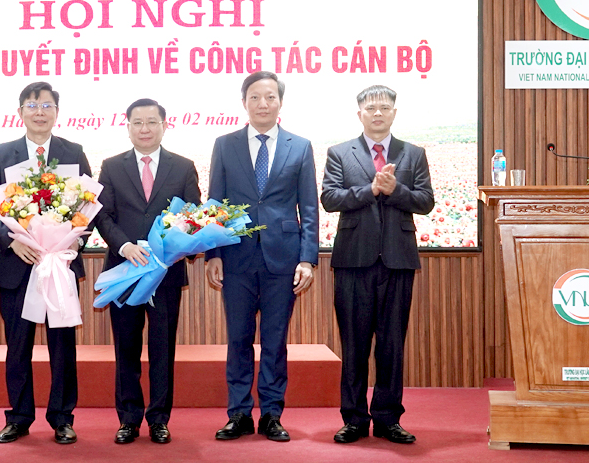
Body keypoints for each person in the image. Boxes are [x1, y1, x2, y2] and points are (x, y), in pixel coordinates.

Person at [205, 71, 318, 442]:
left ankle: (271, 414)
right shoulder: (225, 144)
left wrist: (307, 259)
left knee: (274, 340)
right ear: (244, 103)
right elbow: (215, 202)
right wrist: (212, 254)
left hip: (282, 259)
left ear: (280, 102)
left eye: (270, 97)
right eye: (255, 97)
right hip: (235, 257)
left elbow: (308, 208)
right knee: (238, 338)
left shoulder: (300, 146)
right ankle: (238, 413)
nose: (263, 104)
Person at [320, 84, 434, 445]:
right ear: (360, 114)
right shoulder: (340, 153)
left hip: (397, 261)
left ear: (394, 113)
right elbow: (329, 198)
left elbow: (425, 201)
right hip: (353, 261)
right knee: (353, 344)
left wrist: (394, 190)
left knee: (391, 345)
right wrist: (369, 190)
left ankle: (387, 419)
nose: (378, 113)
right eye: (371, 108)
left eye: (384, 107)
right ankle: (354, 419)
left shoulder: (413, 154)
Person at [0, 81, 92, 445]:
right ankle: (19, 417)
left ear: (56, 112)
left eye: (46, 105)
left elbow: (89, 205)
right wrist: (11, 241)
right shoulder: (1, 153)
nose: (39, 112)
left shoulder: (73, 152)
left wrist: (70, 243)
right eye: (32, 105)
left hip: (59, 266)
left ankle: (62, 418)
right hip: (17, 264)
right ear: (20, 112)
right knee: (18, 346)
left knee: (62, 347)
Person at [95, 98, 201, 445]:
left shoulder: (183, 167)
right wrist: (124, 246)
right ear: (127, 127)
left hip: (165, 273)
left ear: (164, 126)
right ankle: (128, 419)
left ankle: (159, 419)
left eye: (152, 122)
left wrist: (170, 247)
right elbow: (103, 215)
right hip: (125, 270)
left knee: (162, 348)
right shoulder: (111, 166)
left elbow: (193, 215)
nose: (145, 129)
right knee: (125, 347)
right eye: (137, 122)